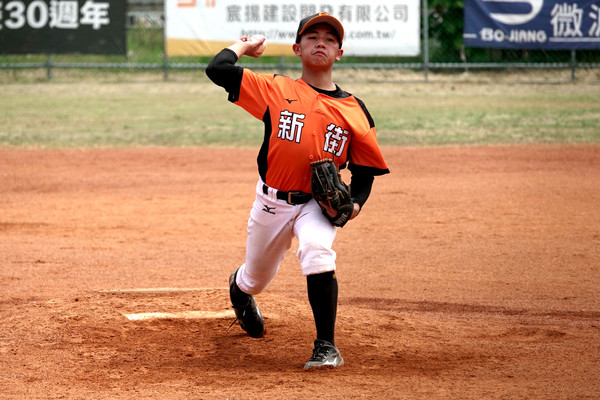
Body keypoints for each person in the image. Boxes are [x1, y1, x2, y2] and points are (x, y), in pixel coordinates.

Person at [205, 12, 389, 369]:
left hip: (317, 207)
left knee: (318, 251)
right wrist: (244, 44)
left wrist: (355, 205)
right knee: (256, 277)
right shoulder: (276, 89)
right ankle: (240, 290)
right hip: (271, 203)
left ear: (339, 53)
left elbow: (365, 170)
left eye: (330, 39)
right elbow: (218, 69)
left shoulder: (354, 110)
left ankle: (326, 346)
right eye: (312, 36)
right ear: (297, 48)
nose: (321, 42)